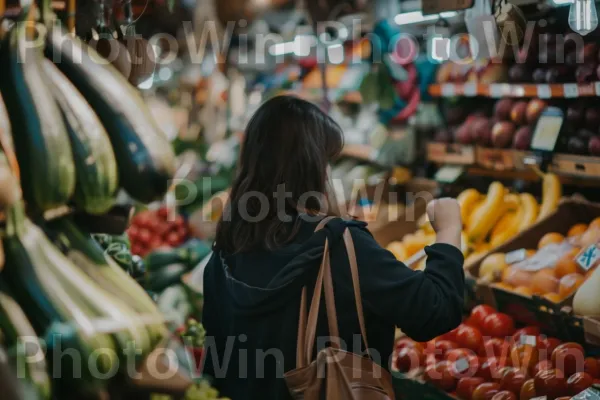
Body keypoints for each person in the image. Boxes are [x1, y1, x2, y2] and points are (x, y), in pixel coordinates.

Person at [202, 95, 465, 400]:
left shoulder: (225, 250)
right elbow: (434, 310)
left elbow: (215, 361)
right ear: (311, 167)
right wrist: (448, 230)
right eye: (326, 161)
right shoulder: (341, 245)